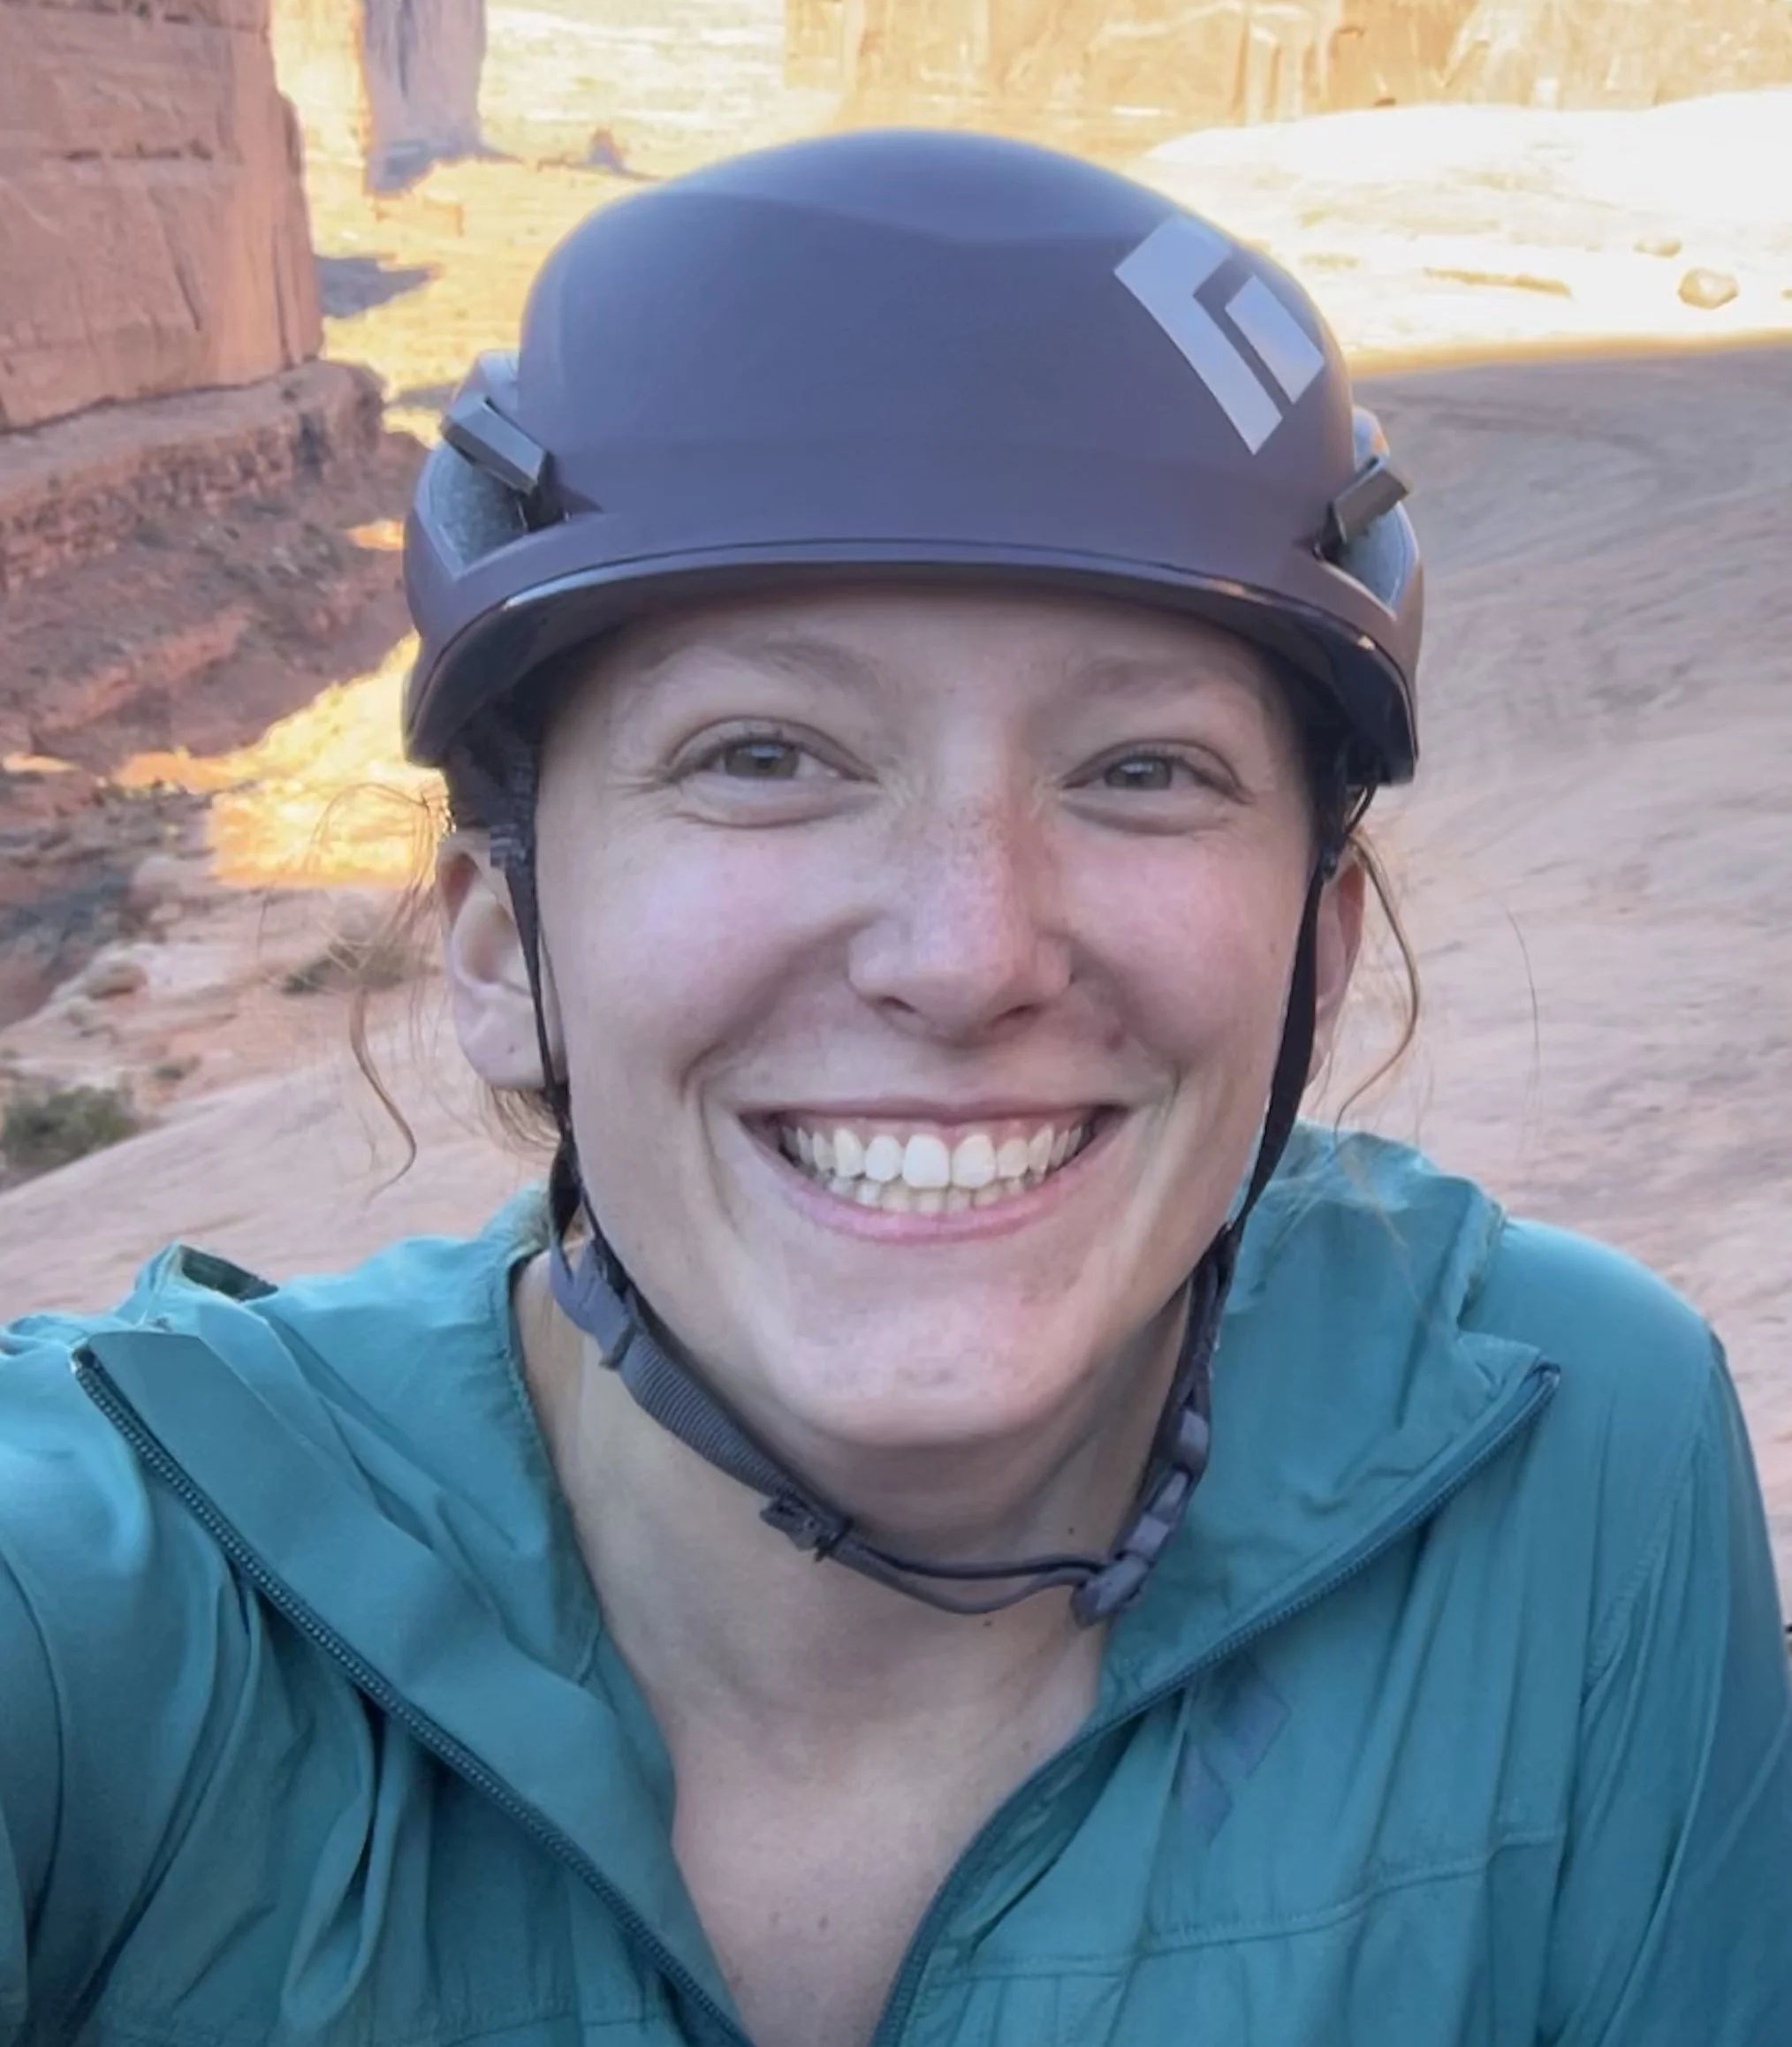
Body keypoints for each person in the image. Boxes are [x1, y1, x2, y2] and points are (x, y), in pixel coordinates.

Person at [1, 131, 1788, 2047]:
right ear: (503, 949)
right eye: (764, 750)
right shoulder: (102, 1605)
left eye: (1142, 769)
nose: (966, 948)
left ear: (1319, 948)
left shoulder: (1561, 1463)